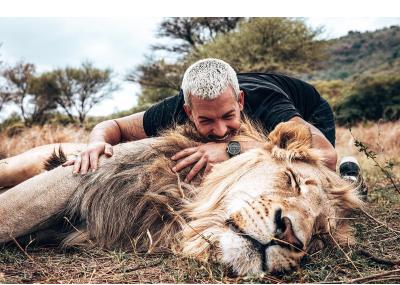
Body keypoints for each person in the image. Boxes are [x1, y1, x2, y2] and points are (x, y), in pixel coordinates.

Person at [0, 58, 366, 197]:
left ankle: (353, 180)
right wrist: (96, 142)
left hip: (310, 109)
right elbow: (112, 125)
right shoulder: (172, 109)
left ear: (240, 101)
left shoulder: (267, 104)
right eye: (206, 120)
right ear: (188, 111)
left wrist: (230, 149)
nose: (221, 128)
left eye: (228, 116)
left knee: (319, 176)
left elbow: (323, 153)